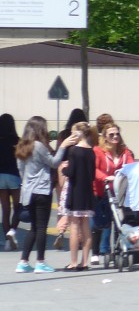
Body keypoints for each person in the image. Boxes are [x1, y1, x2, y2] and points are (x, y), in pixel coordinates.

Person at [15, 116, 80, 273]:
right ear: (39, 129)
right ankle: (40, 262)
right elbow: (54, 162)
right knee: (42, 227)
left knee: (33, 228)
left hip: (28, 192)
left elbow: (21, 170)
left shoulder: (22, 146)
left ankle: (23, 262)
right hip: (42, 190)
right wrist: (63, 146)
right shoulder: (39, 146)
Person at [92, 121, 134, 264]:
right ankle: (95, 252)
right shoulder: (98, 151)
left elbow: (131, 166)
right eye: (111, 134)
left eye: (117, 134)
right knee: (101, 223)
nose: (115, 137)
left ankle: (118, 250)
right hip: (102, 191)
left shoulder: (124, 151)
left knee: (119, 221)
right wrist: (105, 177)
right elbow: (94, 169)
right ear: (105, 137)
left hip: (119, 192)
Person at [61, 121, 97, 270]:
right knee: (86, 227)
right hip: (87, 192)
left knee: (74, 226)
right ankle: (85, 262)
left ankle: (74, 262)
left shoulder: (74, 151)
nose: (71, 136)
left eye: (73, 133)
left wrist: (64, 169)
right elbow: (93, 175)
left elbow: (71, 172)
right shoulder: (91, 151)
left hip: (75, 191)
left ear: (79, 133)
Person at [0, 114, 20, 250]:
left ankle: (7, 239)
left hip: (0, 177)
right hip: (14, 175)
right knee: (18, 208)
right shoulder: (17, 141)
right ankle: (13, 231)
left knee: (5, 210)